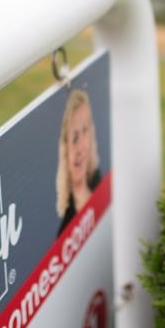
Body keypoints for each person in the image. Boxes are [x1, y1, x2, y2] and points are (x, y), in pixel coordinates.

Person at [56, 89, 101, 236]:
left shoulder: (101, 184)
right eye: (74, 138)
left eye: (85, 131)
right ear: (65, 150)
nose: (81, 147)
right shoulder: (64, 231)